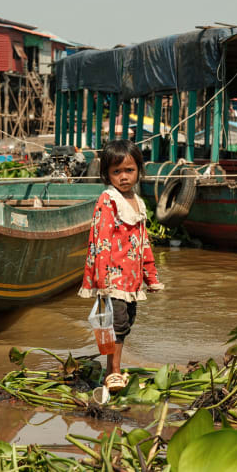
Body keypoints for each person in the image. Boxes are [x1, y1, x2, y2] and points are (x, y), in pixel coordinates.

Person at [78, 139, 164, 392]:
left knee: (125, 325)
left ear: (139, 170)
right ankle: (113, 372)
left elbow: (143, 242)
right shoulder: (108, 200)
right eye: (116, 172)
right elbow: (100, 240)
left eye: (129, 170)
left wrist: (151, 276)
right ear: (107, 175)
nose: (123, 177)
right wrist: (101, 279)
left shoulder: (137, 202)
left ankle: (112, 368)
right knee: (114, 324)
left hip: (131, 278)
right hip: (113, 277)